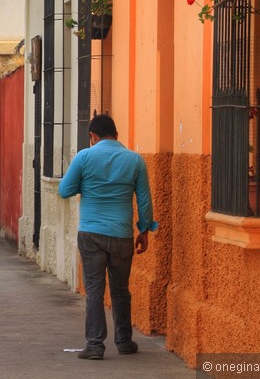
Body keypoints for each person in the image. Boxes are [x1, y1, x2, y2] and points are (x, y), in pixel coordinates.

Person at [58, 114, 158, 360]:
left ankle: (95, 345)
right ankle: (124, 341)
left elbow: (64, 190)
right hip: (121, 234)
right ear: (117, 134)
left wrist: (88, 186)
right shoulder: (135, 160)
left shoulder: (85, 157)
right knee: (121, 289)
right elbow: (145, 202)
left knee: (94, 289)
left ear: (92, 136)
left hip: (91, 233)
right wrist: (144, 231)